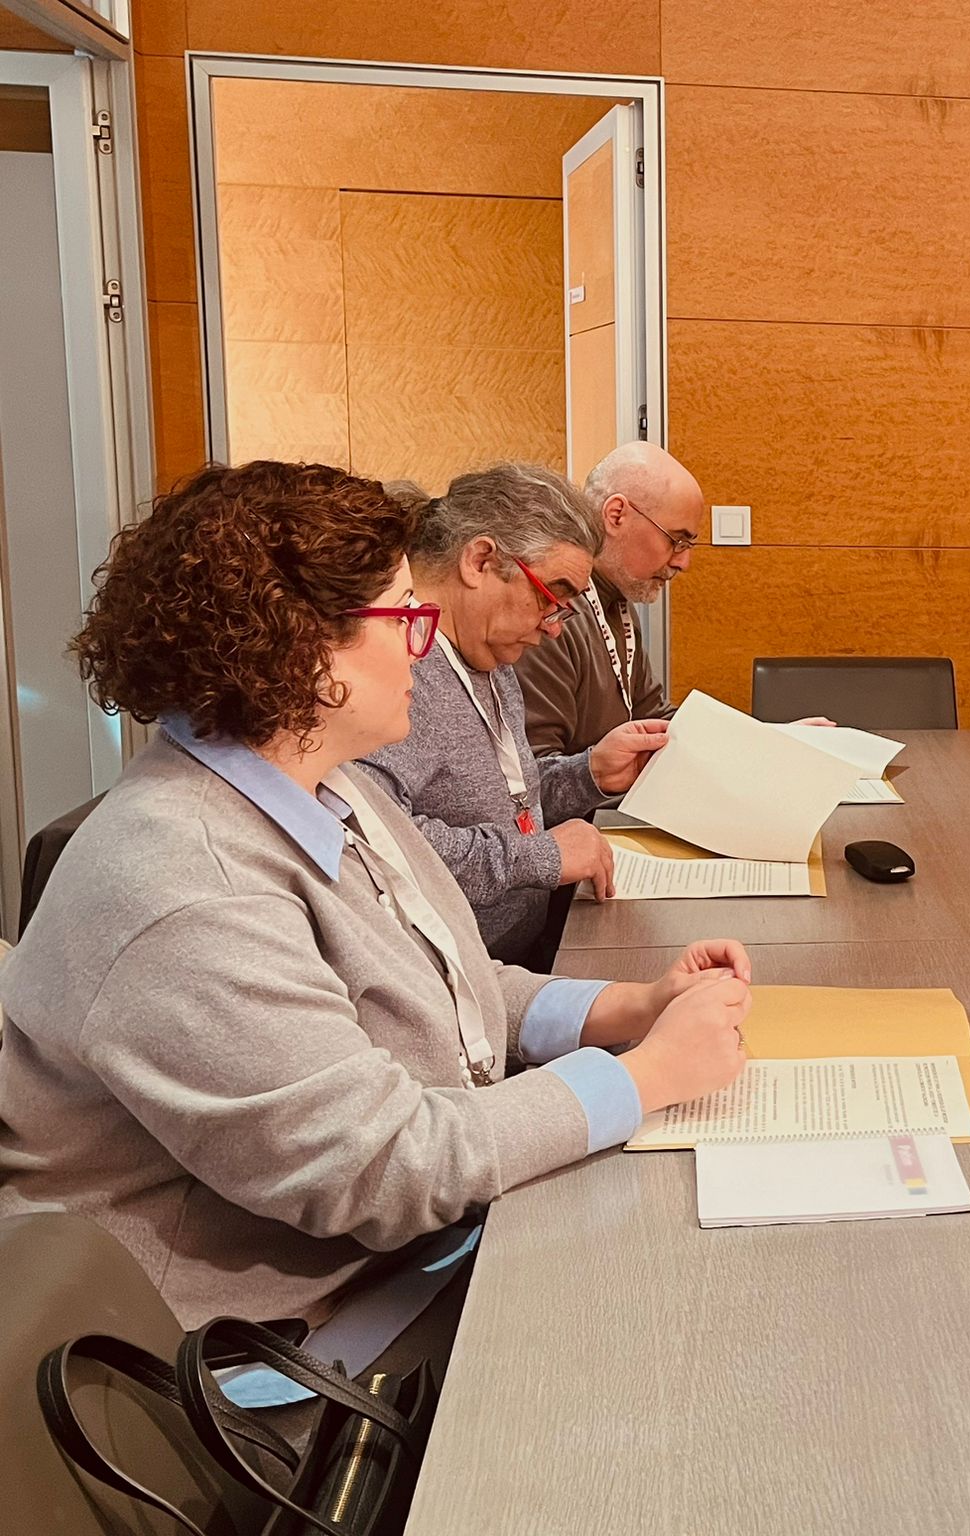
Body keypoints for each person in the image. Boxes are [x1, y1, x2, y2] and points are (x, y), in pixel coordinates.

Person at [0, 459, 754, 1340]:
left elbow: (446, 983)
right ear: (297, 645)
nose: (420, 645)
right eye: (402, 616)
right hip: (270, 1354)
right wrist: (646, 1074)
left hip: (394, 1259)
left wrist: (629, 1006)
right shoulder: (186, 883)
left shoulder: (327, 784)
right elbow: (383, 1168)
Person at [360, 464, 664, 965]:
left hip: (520, 955)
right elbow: (384, 843)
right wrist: (540, 857)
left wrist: (588, 774)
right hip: (457, 974)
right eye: (552, 597)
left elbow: (504, 798)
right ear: (479, 560)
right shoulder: (399, 671)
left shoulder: (489, 651)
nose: (554, 628)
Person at [517, 442, 701, 757]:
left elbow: (653, 718)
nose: (682, 562)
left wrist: (770, 739)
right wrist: (595, 774)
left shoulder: (617, 602)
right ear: (616, 515)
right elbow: (532, 771)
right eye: (676, 540)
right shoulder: (551, 613)